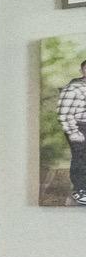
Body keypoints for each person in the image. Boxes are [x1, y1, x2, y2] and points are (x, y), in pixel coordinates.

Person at [60, 57, 86, 205]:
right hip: (79, 126)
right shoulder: (74, 87)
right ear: (82, 71)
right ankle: (80, 190)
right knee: (80, 156)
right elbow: (65, 113)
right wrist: (73, 132)